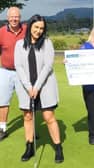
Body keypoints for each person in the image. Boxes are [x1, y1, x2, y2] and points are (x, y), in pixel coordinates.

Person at [14, 14, 64, 163]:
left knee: (48, 117)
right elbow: (19, 66)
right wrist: (29, 87)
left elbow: (48, 66)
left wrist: (36, 87)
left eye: (42, 28)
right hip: (26, 88)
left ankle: (58, 147)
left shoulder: (47, 43)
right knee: (28, 116)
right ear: (30, 26)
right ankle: (29, 147)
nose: (39, 31)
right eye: (36, 27)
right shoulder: (19, 44)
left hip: (45, 86)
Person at [0, 6, 26, 140]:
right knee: (3, 101)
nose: (14, 19)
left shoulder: (27, 30)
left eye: (16, 17)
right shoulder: (1, 32)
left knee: (26, 102)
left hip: (24, 72)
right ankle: (2, 128)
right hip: (5, 71)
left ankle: (30, 129)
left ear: (20, 18)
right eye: (12, 17)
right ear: (8, 18)